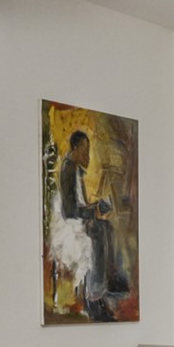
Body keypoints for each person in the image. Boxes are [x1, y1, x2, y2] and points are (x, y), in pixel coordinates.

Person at [59, 129, 129, 317]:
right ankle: (94, 298)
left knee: (108, 227)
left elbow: (78, 202)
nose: (87, 155)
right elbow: (69, 210)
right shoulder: (68, 170)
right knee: (97, 230)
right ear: (74, 149)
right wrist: (92, 211)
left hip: (78, 217)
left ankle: (110, 278)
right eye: (84, 150)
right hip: (69, 223)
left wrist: (94, 207)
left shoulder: (76, 169)